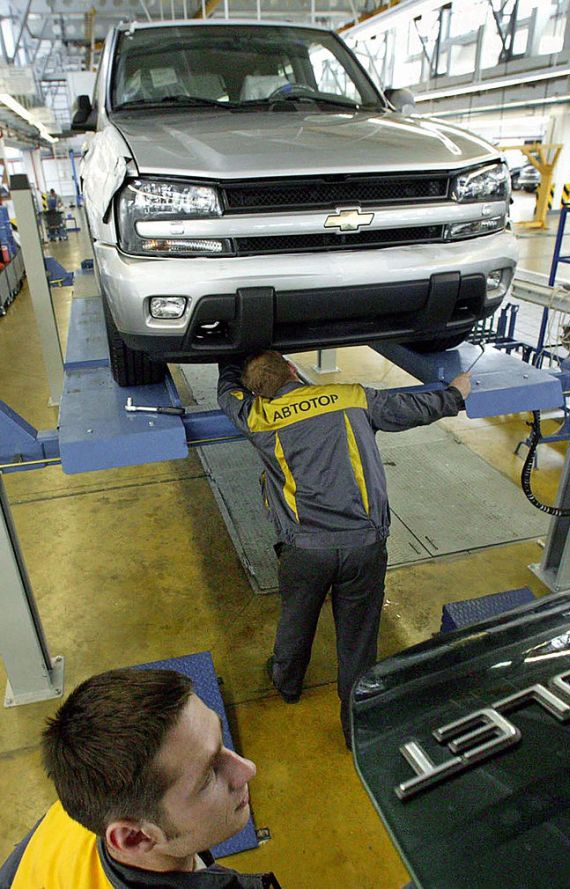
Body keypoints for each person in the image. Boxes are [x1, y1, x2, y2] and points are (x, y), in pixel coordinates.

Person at [218, 350, 471, 747]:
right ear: (292, 370)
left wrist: (228, 361)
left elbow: (227, 394)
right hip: (364, 546)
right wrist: (455, 394)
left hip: (303, 550)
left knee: (296, 617)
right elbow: (412, 409)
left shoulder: (257, 417)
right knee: (358, 636)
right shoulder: (349, 397)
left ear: (258, 393)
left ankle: (287, 682)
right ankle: (355, 725)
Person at [0, 668, 280, 888]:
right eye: (207, 777)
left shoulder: (77, 809)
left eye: (221, 741)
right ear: (134, 837)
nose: (247, 769)